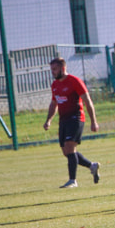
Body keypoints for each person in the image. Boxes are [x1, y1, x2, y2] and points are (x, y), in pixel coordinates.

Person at [43, 58, 101, 188]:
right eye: (51, 69)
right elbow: (54, 103)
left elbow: (88, 101)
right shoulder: (55, 85)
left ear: (63, 69)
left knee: (70, 147)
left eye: (55, 69)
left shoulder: (75, 81)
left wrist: (94, 121)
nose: (52, 72)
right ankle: (92, 166)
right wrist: (48, 120)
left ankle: (72, 180)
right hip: (63, 120)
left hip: (76, 118)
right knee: (67, 152)